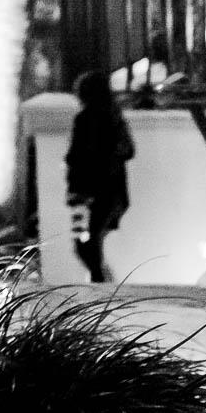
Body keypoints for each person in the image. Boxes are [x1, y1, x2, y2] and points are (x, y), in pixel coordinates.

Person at [64, 70, 135, 283]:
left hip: (88, 192)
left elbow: (78, 155)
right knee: (91, 239)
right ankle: (100, 279)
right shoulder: (115, 118)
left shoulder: (86, 119)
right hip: (109, 191)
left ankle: (99, 281)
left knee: (85, 240)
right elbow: (128, 151)